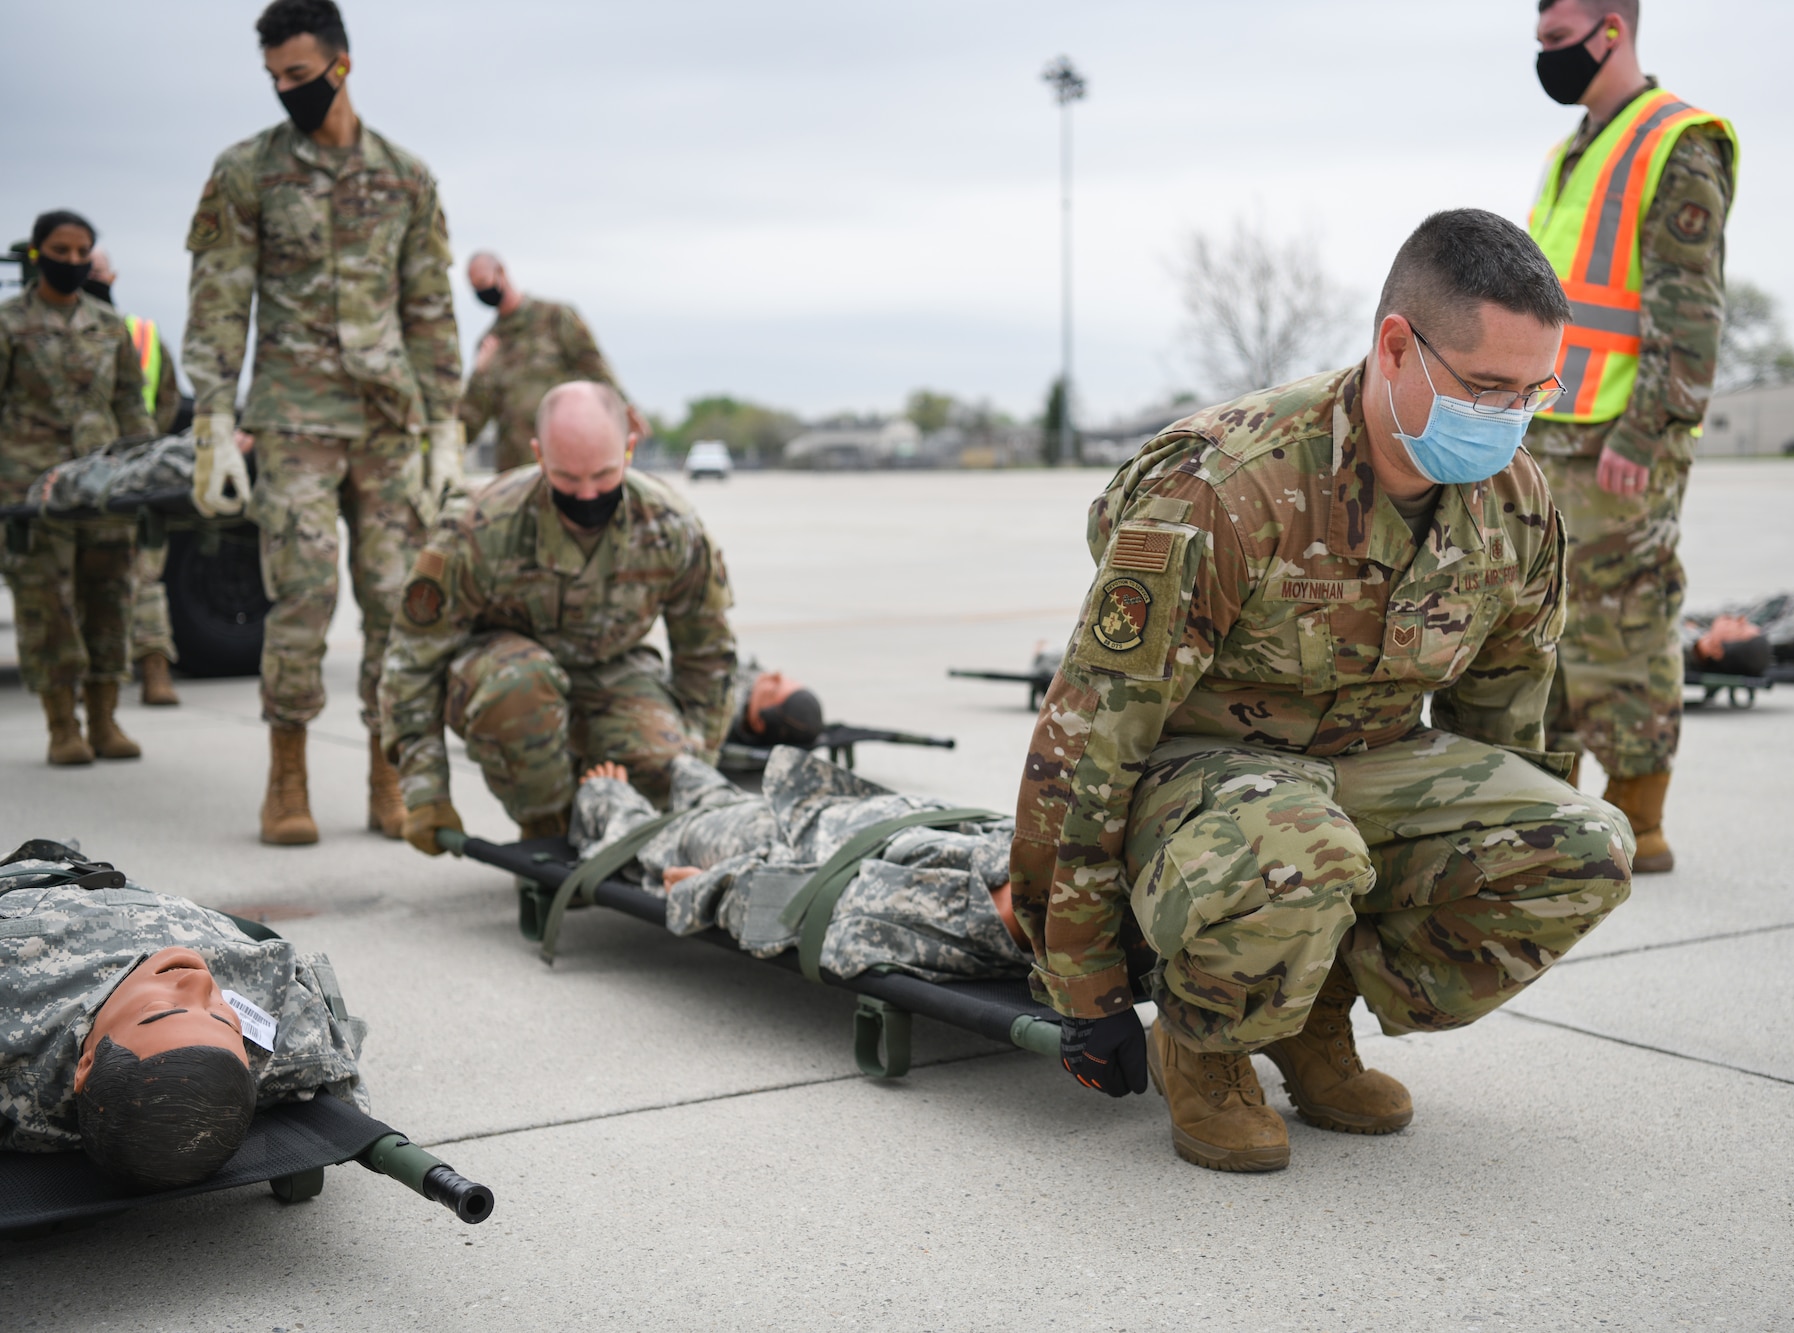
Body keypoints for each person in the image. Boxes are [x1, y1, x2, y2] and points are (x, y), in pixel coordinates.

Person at [1010, 209, 1635, 1173]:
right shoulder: (1228, 482)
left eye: (1532, 392)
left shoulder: (1515, 505)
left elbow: (1508, 725)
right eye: (1486, 388)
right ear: (1397, 347)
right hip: (1192, 778)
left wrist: (1492, 844)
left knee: (1585, 846)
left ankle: (1308, 1014)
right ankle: (1206, 1044)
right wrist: (1083, 985)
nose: (1510, 419)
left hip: (1364, 769)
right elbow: (1089, 738)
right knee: (1307, 846)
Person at [181, 0, 464, 846]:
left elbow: (429, 305)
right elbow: (221, 298)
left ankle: (388, 775)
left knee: (395, 601)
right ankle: (287, 778)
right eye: (274, 79)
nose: (285, 91)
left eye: (298, 75)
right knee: (302, 597)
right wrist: (211, 419)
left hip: (386, 425)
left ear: (341, 64)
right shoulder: (247, 172)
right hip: (295, 418)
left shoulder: (407, 178)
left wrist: (445, 424)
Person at [1524, 0, 1738, 872]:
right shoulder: (1570, 149)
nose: (1544, 55)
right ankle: (1551, 813)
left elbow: (1688, 314)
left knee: (1626, 621)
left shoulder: (1679, 140)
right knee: (1544, 630)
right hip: (1548, 433)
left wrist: (1647, 437)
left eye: (1556, 38)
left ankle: (1639, 822)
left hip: (1621, 439)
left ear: (1612, 28)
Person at [381, 381, 737, 851]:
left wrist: (696, 767)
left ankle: (609, 815)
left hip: (613, 671)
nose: (587, 495)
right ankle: (546, 823)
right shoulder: (481, 526)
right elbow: (412, 660)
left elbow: (707, 658)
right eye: (567, 479)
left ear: (629, 449)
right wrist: (426, 793)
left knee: (666, 773)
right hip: (509, 677)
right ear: (538, 455)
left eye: (603, 476)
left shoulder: (671, 526)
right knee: (521, 684)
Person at [1, 839, 366, 1191]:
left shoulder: (14, 1029)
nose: (199, 984)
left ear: (87, 1063)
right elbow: (341, 1074)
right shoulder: (286, 1043)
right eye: (223, 1018)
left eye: (159, 1012)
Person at [564, 749, 1029, 980]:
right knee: (708, 798)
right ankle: (701, 788)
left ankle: (609, 796)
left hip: (787, 841)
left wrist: (710, 889)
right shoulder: (1032, 859)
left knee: (658, 832)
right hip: (825, 817)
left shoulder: (962, 914)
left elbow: (821, 913)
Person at [0, 210, 151, 766]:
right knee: (48, 605)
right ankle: (63, 725)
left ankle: (106, 718)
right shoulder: (9, 322)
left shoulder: (109, 326)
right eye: (59, 251)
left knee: (109, 598)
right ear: (38, 254)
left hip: (102, 486)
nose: (71, 261)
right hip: (30, 490)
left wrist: (142, 470)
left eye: (81, 251)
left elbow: (131, 404)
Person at [85, 248, 186, 707]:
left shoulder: (140, 334)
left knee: (144, 576)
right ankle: (92, 679)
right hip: (75, 476)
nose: (88, 275)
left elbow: (167, 400)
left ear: (113, 276)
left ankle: (154, 669)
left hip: (134, 472)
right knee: (82, 580)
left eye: (94, 268)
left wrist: (145, 451)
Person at [458, 252, 634, 474]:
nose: (482, 292)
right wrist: (479, 373)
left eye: (484, 282)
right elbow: (471, 425)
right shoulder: (489, 345)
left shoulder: (555, 318)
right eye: (475, 288)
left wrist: (624, 412)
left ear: (501, 272)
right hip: (516, 473)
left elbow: (596, 370)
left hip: (567, 463)